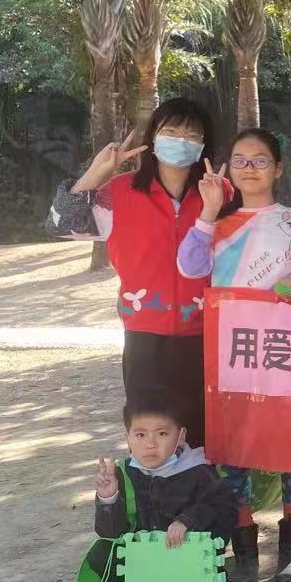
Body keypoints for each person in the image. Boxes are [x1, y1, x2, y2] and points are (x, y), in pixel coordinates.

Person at [176, 128, 291, 582]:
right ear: (228, 169)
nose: (250, 168)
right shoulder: (217, 222)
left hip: (288, 352)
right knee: (233, 452)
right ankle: (244, 551)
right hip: (232, 352)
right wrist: (207, 212)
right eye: (240, 160)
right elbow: (189, 267)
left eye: (260, 160)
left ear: (278, 168)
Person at [46, 98, 225, 447]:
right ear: (153, 137)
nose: (181, 141)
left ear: (204, 146)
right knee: (152, 444)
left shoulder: (218, 194)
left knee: (204, 441)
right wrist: (98, 172)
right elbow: (60, 225)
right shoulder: (120, 193)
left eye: (192, 135)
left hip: (208, 337)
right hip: (144, 340)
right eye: (171, 131)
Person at [86, 389, 238, 582]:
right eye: (140, 435)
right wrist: (109, 498)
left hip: (184, 554)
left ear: (181, 436)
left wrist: (187, 521)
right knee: (101, 552)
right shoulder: (123, 474)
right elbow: (111, 533)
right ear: (128, 438)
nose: (150, 444)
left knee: (205, 544)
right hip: (144, 559)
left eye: (162, 433)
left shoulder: (198, 471)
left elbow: (224, 509)